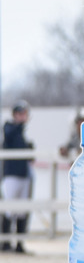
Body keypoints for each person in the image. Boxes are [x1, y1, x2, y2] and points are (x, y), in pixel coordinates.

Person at [2, 101, 33, 253]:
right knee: (8, 209)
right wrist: (20, 124)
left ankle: (20, 245)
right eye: (20, 114)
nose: (23, 117)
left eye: (24, 114)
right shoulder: (9, 127)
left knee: (22, 210)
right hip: (11, 175)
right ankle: (5, 243)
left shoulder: (22, 133)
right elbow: (8, 135)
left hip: (23, 175)